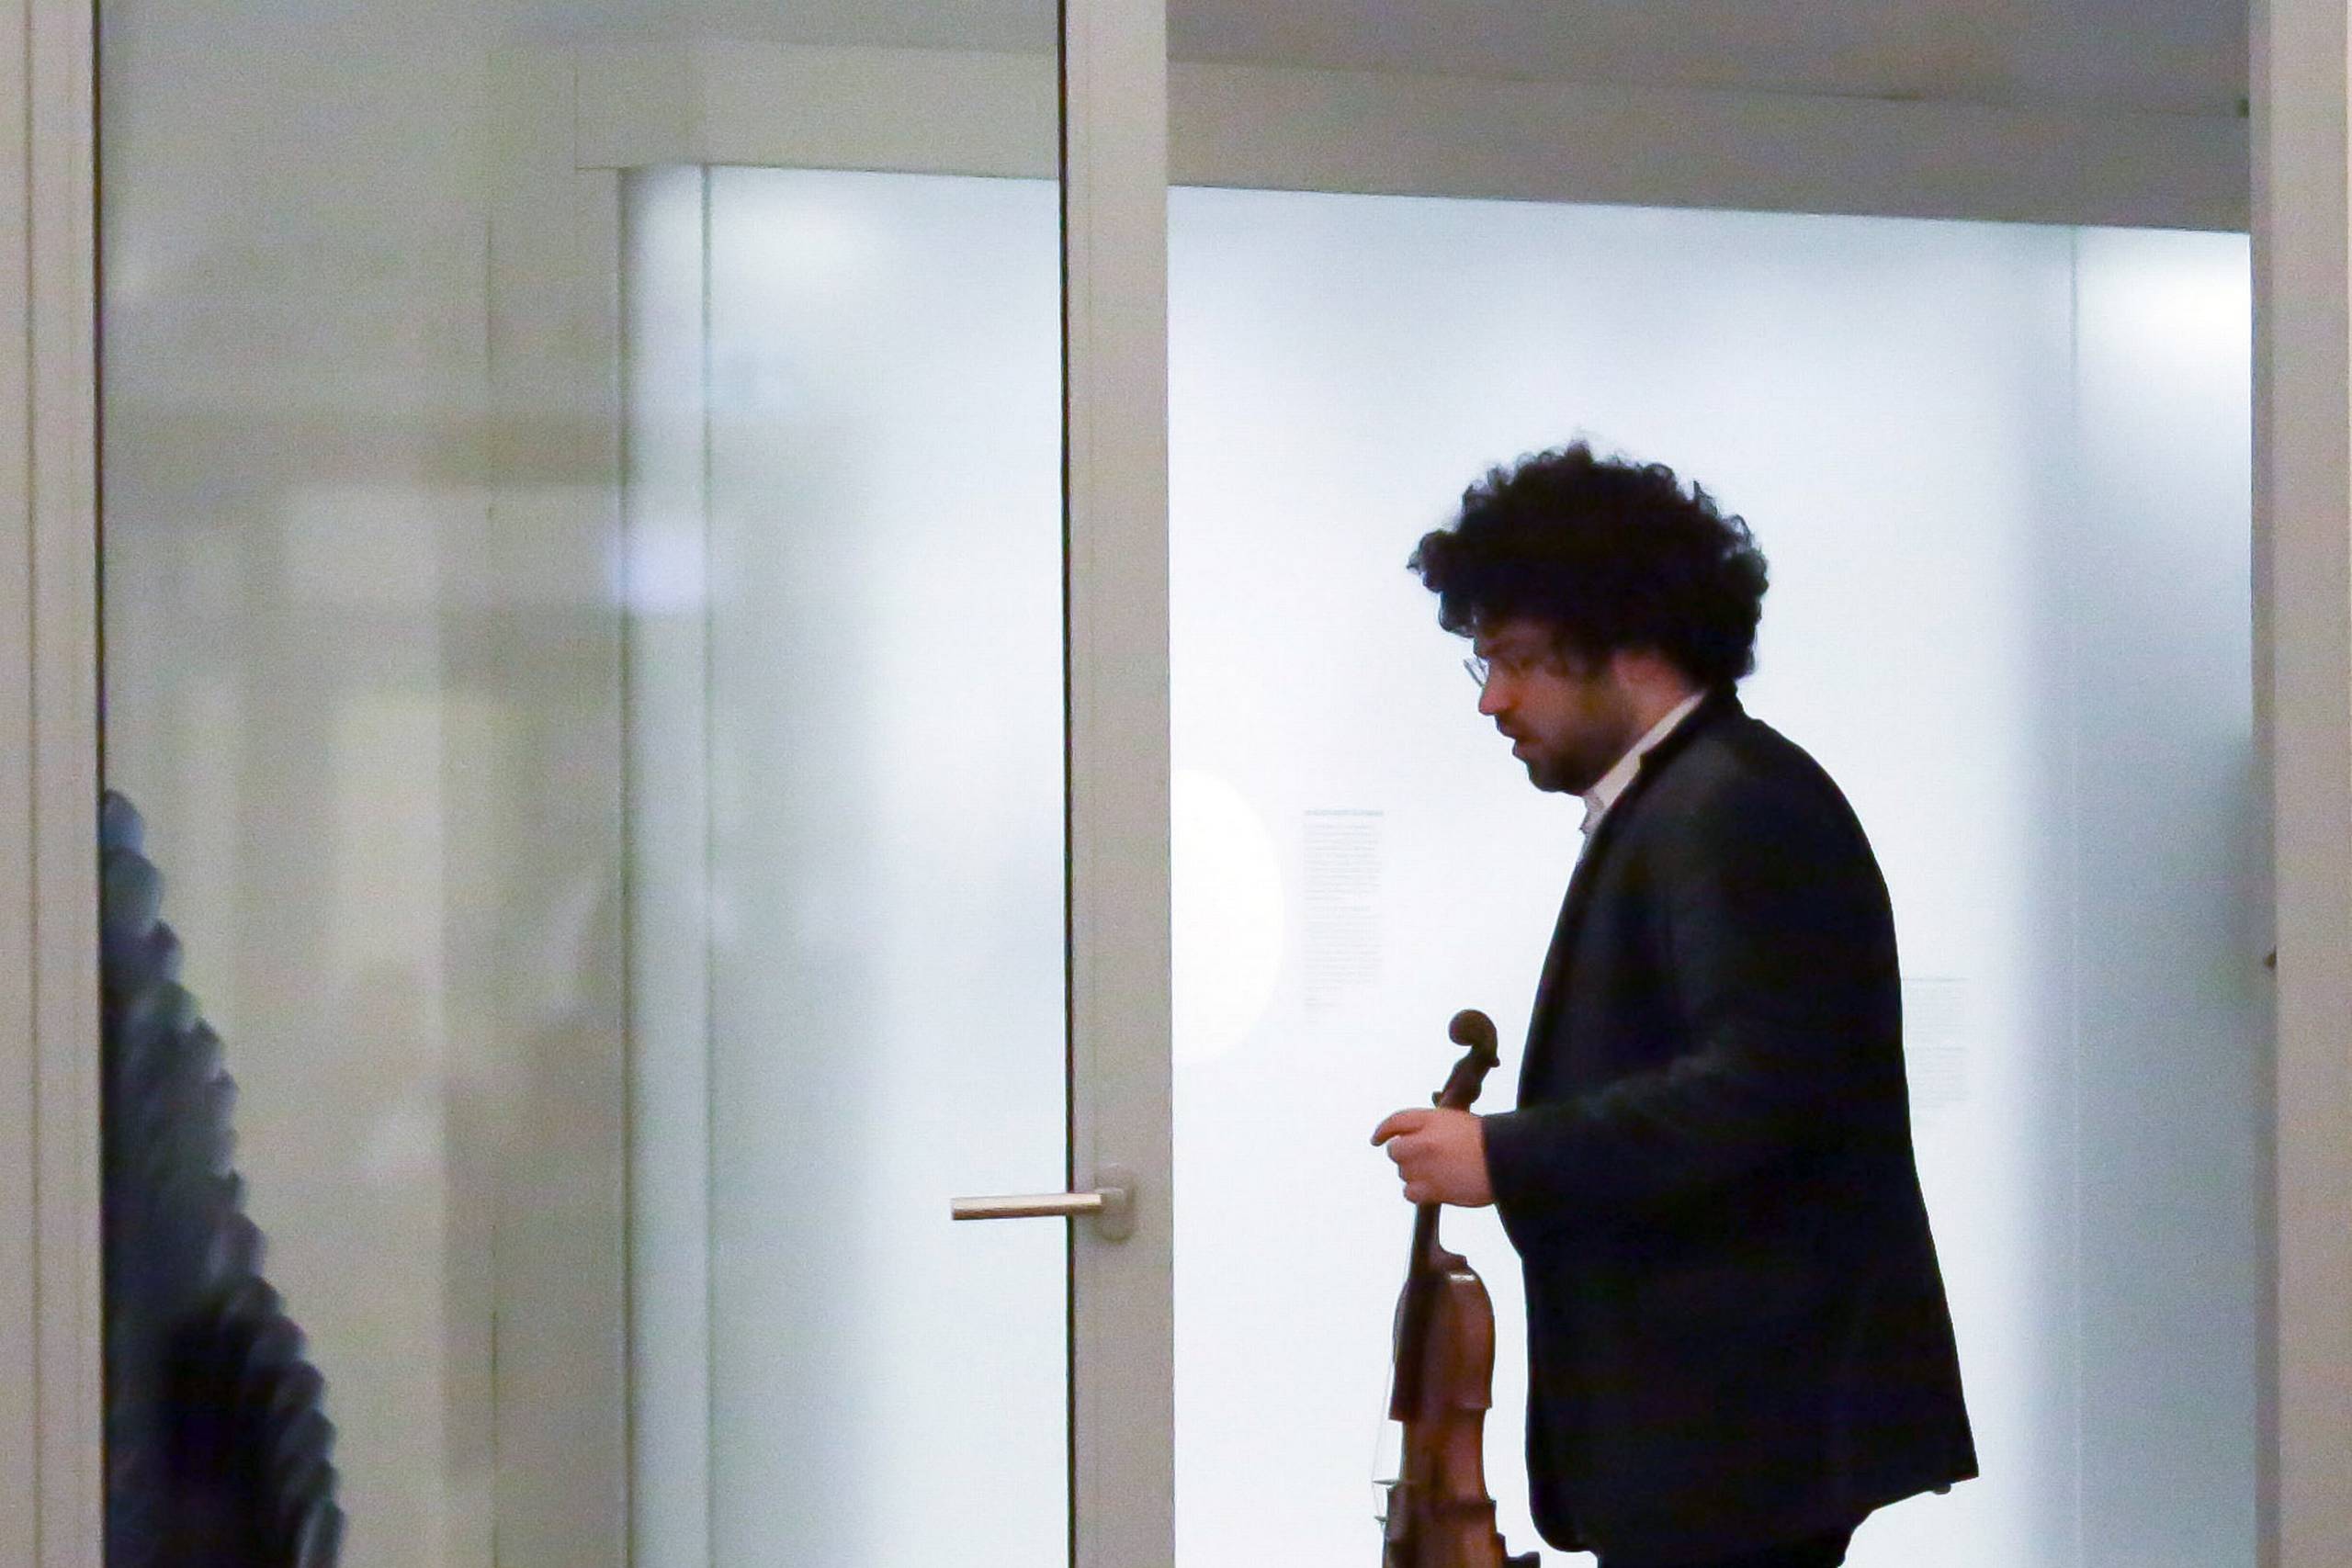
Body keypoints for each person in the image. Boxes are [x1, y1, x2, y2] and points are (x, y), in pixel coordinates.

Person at [1372, 444, 1976, 1568]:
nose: (1493, 699)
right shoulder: (1689, 796)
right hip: (1717, 1431)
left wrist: (1504, 1156)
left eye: (1512, 659)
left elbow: (1760, 1090)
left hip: (1739, 1429)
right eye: (1481, 663)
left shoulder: (1732, 807)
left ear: (1630, 641)